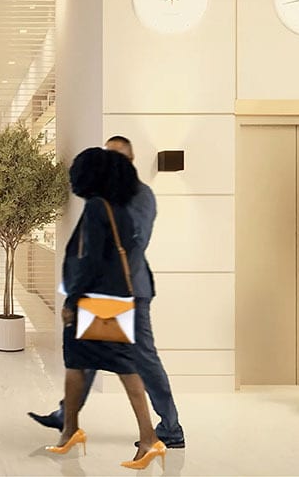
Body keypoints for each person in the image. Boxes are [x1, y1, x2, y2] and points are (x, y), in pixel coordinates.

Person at [29, 135, 185, 448]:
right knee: (85, 357)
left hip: (126, 291)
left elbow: (131, 243)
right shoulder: (102, 196)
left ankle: (169, 427)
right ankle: (67, 417)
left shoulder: (138, 195)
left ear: (130, 160)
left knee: (139, 360)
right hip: (101, 292)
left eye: (117, 157)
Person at [46, 147, 164, 469]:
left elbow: (91, 259)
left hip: (94, 302)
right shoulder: (118, 210)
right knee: (85, 366)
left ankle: (150, 439)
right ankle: (70, 430)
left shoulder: (98, 207)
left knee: (120, 369)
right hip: (113, 299)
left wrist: (72, 299)